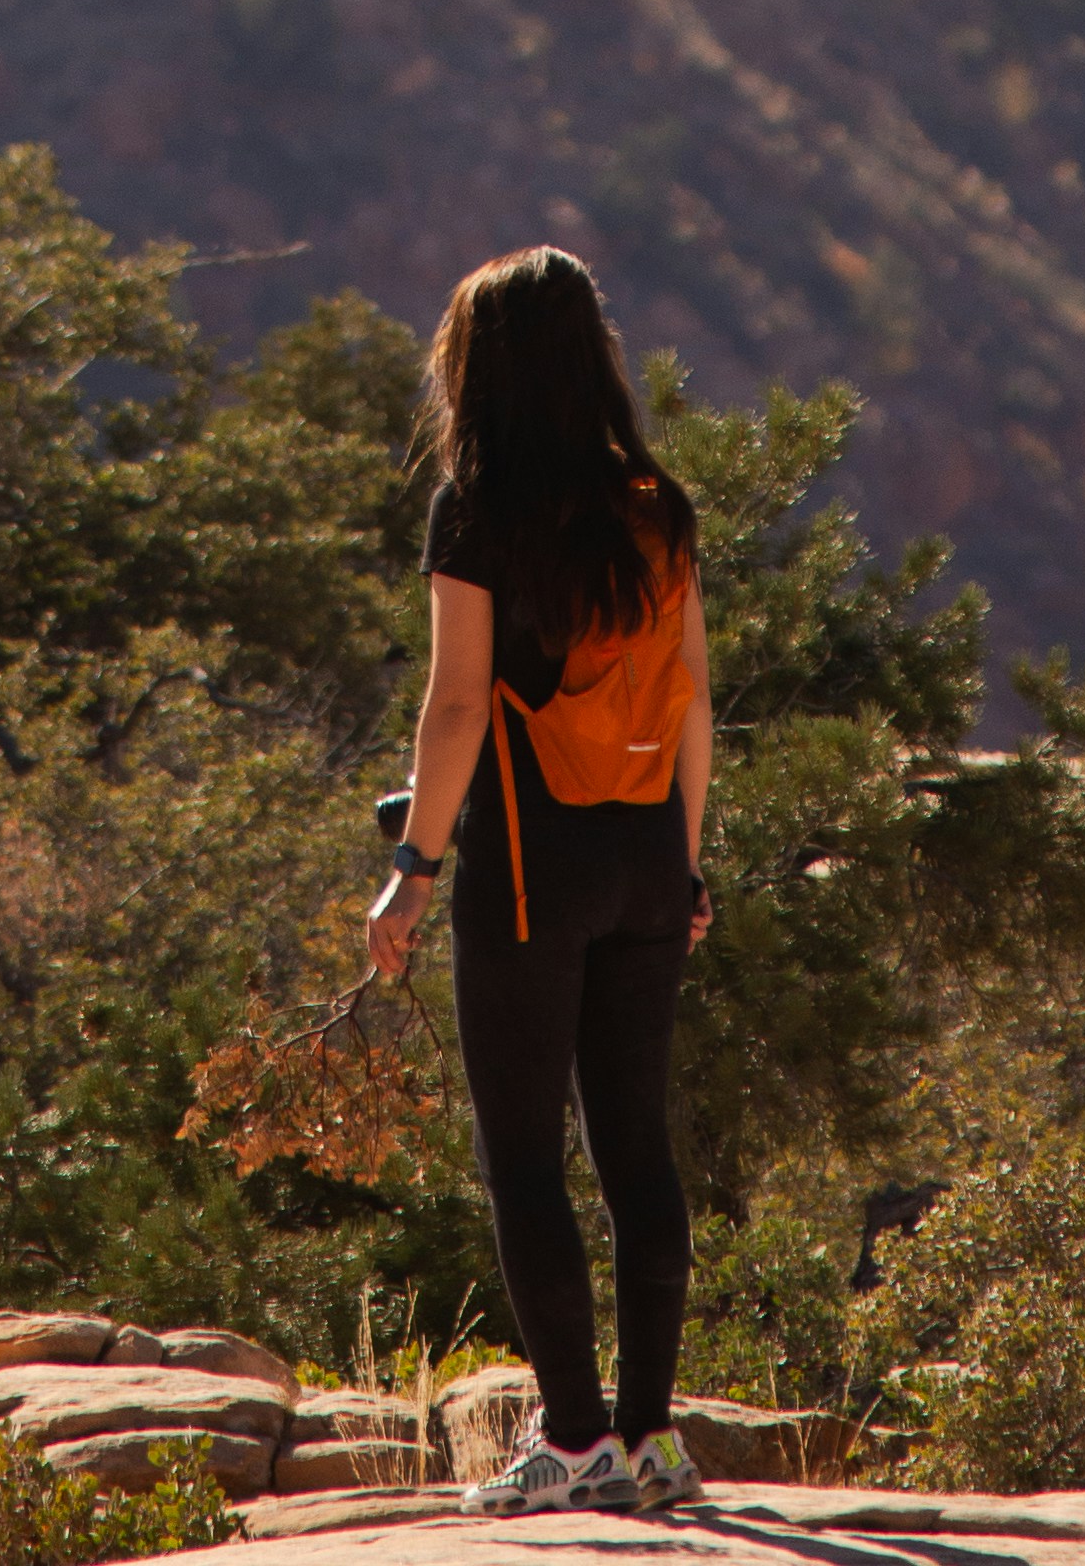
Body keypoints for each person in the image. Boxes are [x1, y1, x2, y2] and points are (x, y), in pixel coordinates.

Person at [364, 243, 715, 1515]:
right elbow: (690, 703)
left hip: (530, 861)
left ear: (480, 367)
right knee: (637, 1148)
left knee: (523, 1154)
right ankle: (653, 1442)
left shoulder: (481, 506)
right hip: (641, 856)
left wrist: (413, 867)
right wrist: (684, 863)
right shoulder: (655, 503)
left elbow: (458, 706)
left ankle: (570, 1445)